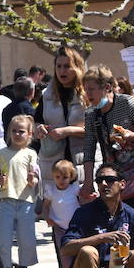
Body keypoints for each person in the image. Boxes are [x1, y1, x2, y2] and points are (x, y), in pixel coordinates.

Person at [80, 65, 134, 209]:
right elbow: (89, 148)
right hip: (113, 177)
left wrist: (130, 135)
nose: (87, 93)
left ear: (107, 87)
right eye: (85, 89)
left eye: (91, 89)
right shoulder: (91, 113)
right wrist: (88, 182)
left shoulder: (127, 103)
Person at [35, 45, 88, 195]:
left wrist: (68, 131)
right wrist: (38, 128)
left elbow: (98, 128)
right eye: (58, 66)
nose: (62, 71)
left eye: (66, 66)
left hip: (81, 161)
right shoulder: (47, 94)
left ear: (77, 67)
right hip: (53, 162)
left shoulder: (87, 93)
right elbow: (37, 120)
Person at [0, 115, 40, 268]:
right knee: (3, 238)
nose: (17, 134)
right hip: (6, 199)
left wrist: (32, 180)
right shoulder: (2, 153)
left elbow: (35, 177)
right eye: (14, 131)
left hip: (25, 200)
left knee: (26, 238)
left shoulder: (30, 153)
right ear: (9, 132)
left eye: (21, 131)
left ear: (29, 134)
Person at [40, 159, 80, 268]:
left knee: (77, 250)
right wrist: (47, 218)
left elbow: (84, 197)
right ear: (53, 176)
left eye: (65, 177)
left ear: (71, 177)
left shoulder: (74, 188)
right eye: (57, 177)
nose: (61, 180)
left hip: (74, 226)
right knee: (62, 251)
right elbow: (45, 206)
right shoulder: (51, 190)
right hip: (58, 226)